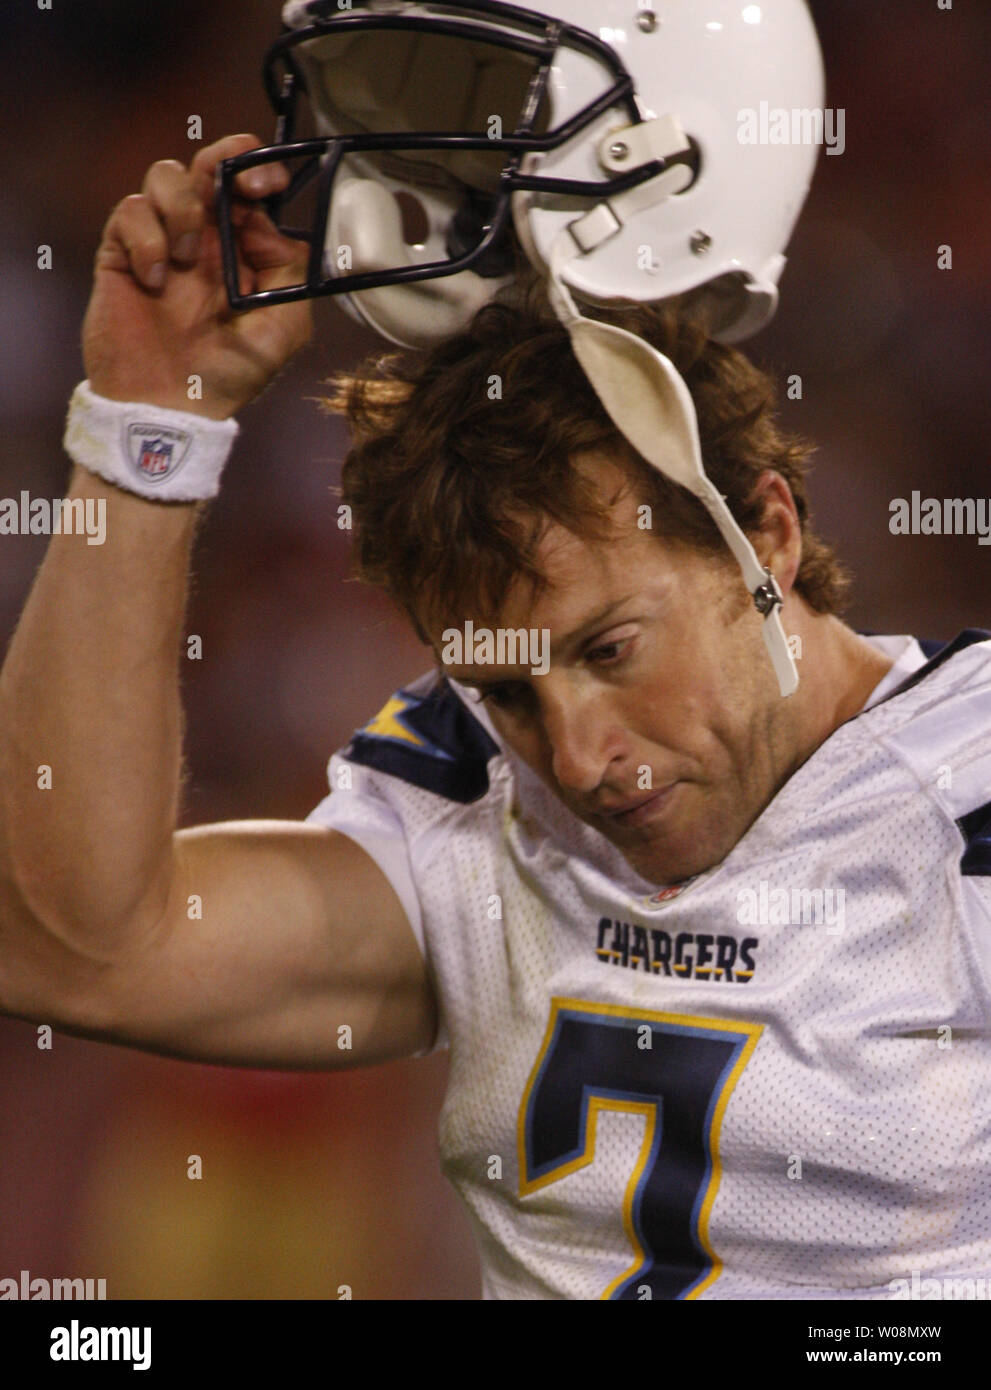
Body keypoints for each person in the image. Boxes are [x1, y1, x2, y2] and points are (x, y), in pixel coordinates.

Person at [2, 120, 990, 1301]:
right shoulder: (473, 795)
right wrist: (148, 425)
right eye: (509, 689)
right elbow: (77, 950)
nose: (576, 753)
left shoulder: (962, 786)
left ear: (763, 536)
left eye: (611, 647)